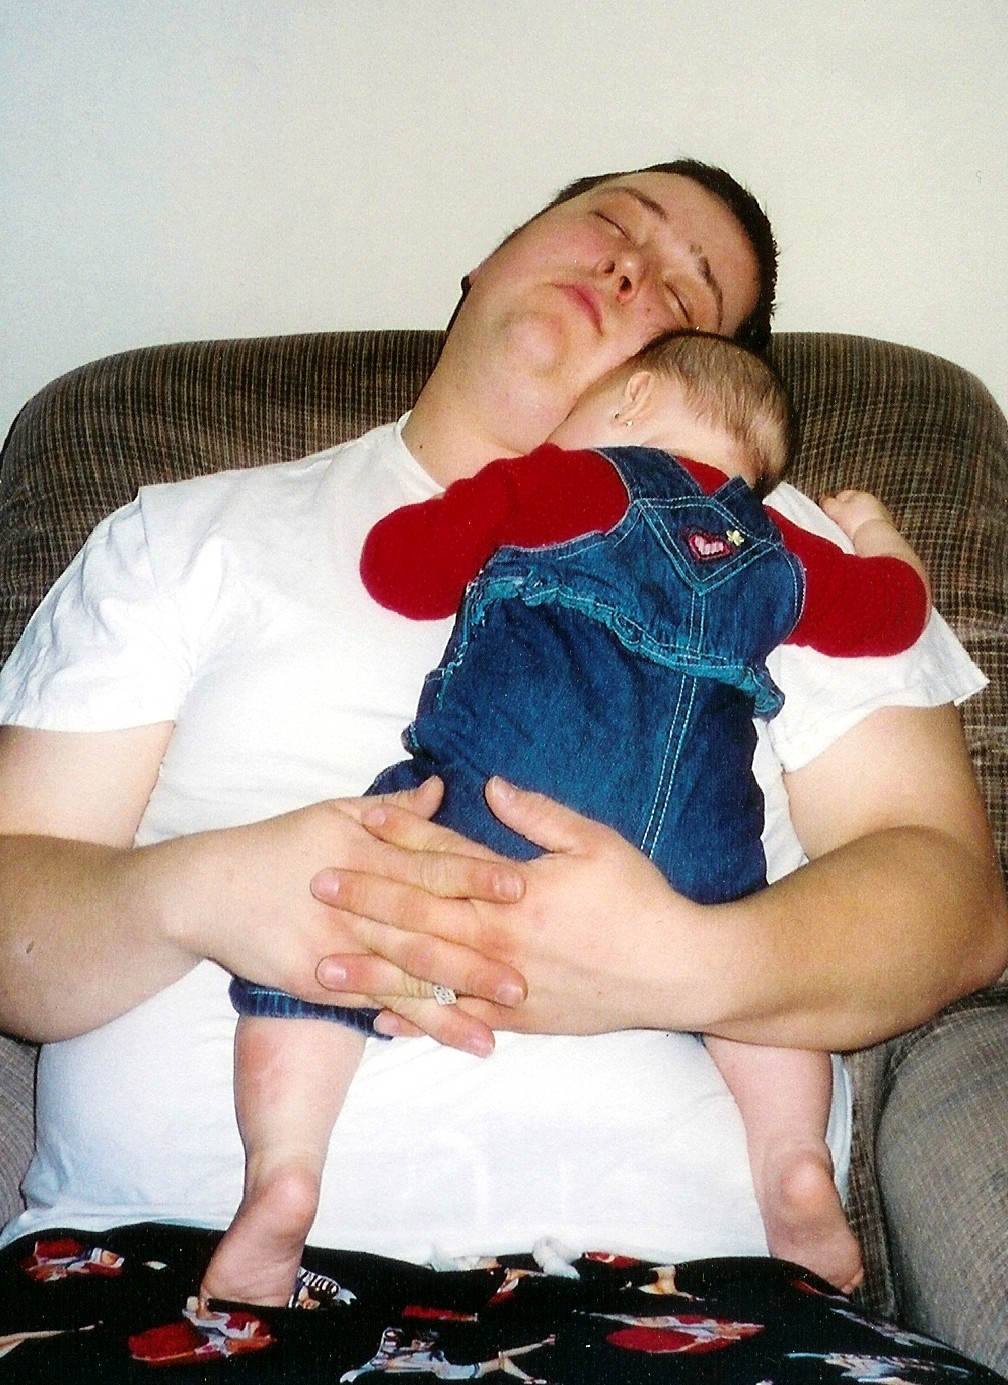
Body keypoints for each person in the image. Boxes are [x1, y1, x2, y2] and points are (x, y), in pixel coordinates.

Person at [0, 160, 1004, 1379]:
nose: (632, 267)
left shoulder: (777, 543)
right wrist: (198, 893)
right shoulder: (184, 531)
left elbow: (954, 907)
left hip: (691, 1295)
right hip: (164, 1264)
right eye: (613, 225)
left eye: (683, 295)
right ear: (487, 263)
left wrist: (684, 964)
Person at [214, 329, 929, 1308]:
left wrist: (477, 506)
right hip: (695, 854)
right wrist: (877, 532)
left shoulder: (571, 479)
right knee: (755, 986)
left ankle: (285, 1168)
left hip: (501, 804)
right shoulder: (777, 549)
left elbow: (398, 568)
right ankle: (791, 1160)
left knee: (331, 913)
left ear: (632, 401)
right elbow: (892, 611)